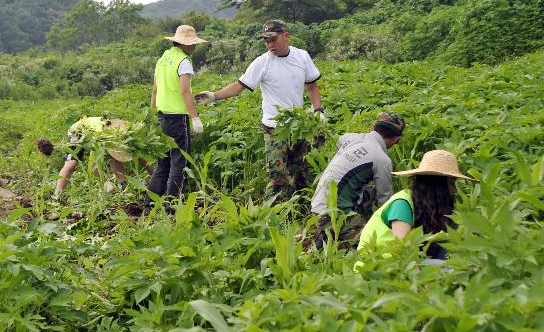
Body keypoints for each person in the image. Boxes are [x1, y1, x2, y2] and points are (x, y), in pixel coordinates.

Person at [195, 19, 325, 203]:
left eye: (273, 39)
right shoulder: (262, 63)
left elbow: (312, 86)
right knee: (277, 175)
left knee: (300, 173)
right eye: (266, 40)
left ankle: (300, 212)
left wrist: (318, 110)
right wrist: (214, 96)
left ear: (286, 35)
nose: (270, 44)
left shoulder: (302, 57)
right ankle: (273, 216)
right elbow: (239, 86)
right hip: (274, 128)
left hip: (298, 127)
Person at [310, 112, 406, 248]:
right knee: (371, 246)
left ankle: (325, 234)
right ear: (396, 139)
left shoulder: (349, 138)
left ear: (373, 127)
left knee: (369, 191)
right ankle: (332, 234)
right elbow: (384, 202)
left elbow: (339, 141)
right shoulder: (381, 159)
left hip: (317, 203)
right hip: (334, 213)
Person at [357, 150, 475, 261]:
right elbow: (405, 252)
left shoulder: (424, 206)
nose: (454, 190)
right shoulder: (402, 204)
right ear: (436, 186)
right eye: (451, 183)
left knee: (451, 229)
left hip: (402, 266)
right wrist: (422, 282)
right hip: (380, 267)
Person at [145, 24, 207, 213]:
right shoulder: (183, 61)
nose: (194, 47)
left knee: (162, 162)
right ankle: (171, 207)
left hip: (162, 117)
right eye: (192, 44)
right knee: (179, 162)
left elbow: (154, 90)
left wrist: (152, 117)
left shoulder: (162, 59)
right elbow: (185, 90)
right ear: (184, 44)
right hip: (178, 119)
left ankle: (149, 205)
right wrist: (195, 117)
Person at [49, 116, 133, 198]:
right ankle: (57, 194)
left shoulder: (115, 130)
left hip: (92, 134)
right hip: (77, 132)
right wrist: (106, 182)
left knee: (113, 155)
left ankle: (123, 184)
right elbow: (94, 166)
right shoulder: (102, 134)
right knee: (72, 163)